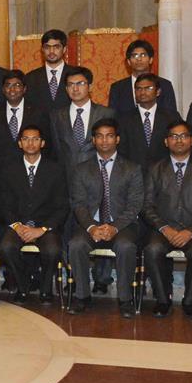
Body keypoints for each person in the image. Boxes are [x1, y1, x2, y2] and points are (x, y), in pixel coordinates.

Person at [141, 122, 192, 318]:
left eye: (183, 136)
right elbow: (146, 206)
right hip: (163, 229)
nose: (179, 140)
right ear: (166, 141)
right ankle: (162, 299)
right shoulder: (154, 169)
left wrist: (191, 230)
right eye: (174, 136)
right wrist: (164, 228)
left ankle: (190, 300)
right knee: (152, 249)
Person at [67, 119, 144, 316]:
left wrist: (114, 227)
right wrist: (92, 227)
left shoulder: (132, 168)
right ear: (93, 140)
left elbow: (135, 205)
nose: (104, 140)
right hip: (90, 225)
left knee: (126, 246)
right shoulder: (81, 169)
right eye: (99, 136)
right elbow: (78, 204)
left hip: (122, 226)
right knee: (76, 245)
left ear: (117, 139)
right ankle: (82, 296)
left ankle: (125, 299)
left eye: (109, 135)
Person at [0, 126, 68, 304]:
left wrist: (41, 229)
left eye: (35, 139)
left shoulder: (55, 169)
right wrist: (17, 225)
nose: (30, 143)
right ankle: (23, 286)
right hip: (17, 224)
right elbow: (3, 203)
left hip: (45, 225)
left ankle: (45, 289)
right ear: (20, 143)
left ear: (42, 143)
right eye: (26, 139)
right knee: (6, 247)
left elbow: (62, 206)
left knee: (52, 249)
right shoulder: (8, 169)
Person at [47, 66, 112, 175]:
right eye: (70, 85)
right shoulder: (56, 116)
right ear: (66, 89)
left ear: (90, 86)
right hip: (66, 178)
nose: (75, 89)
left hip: (99, 177)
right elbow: (56, 151)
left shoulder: (106, 114)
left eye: (80, 84)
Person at [117, 73, 182, 169]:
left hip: (164, 173)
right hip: (133, 175)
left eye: (148, 88)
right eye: (138, 89)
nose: (142, 92)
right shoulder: (123, 119)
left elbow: (178, 147)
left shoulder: (171, 117)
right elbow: (121, 151)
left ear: (158, 92)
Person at [0, 70, 45, 163]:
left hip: (30, 169)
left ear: (24, 89)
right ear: (3, 89)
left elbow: (45, 146)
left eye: (17, 85)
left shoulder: (38, 112)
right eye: (8, 85)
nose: (12, 89)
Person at [108, 40, 178, 117]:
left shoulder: (164, 85)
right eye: (135, 56)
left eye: (143, 55)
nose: (139, 59)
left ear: (151, 59)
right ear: (128, 61)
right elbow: (113, 118)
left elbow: (171, 116)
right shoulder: (118, 88)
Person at [24, 29, 70, 112]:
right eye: (47, 47)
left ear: (64, 49)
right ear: (42, 49)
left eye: (56, 47)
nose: (51, 51)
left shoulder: (75, 75)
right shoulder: (30, 78)